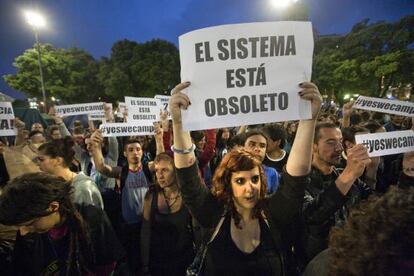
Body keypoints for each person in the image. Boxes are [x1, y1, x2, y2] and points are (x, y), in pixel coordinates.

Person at [168, 81, 321, 275]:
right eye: (240, 181)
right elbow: (188, 180)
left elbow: (295, 180)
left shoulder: (275, 214)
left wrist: (309, 120)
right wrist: (179, 124)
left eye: (255, 179)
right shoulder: (212, 213)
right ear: (227, 184)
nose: (250, 188)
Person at [0, 172, 126, 275]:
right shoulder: (30, 234)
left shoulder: (91, 219)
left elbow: (107, 266)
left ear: (53, 207)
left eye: (30, 223)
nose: (24, 230)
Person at [300, 122, 372, 264]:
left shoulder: (348, 178)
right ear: (313, 146)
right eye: (331, 142)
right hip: (317, 264)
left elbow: (377, 204)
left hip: (350, 259)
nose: (339, 148)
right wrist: (349, 174)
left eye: (340, 142)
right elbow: (313, 215)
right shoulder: (300, 182)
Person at [140, 153, 194, 276]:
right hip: (158, 262)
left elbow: (197, 231)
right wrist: (145, 265)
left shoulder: (187, 195)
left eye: (164, 170)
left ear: (175, 171)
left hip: (183, 261)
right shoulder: (151, 195)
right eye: (157, 170)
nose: (159, 175)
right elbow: (145, 232)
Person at [37, 137, 104, 209]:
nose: (38, 163)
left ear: (58, 160)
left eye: (41, 159)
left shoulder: (84, 188)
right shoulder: (54, 184)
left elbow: (94, 218)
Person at [243, 129, 280, 194]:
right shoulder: (231, 171)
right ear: (242, 147)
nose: (258, 149)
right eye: (252, 145)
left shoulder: (272, 173)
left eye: (262, 146)